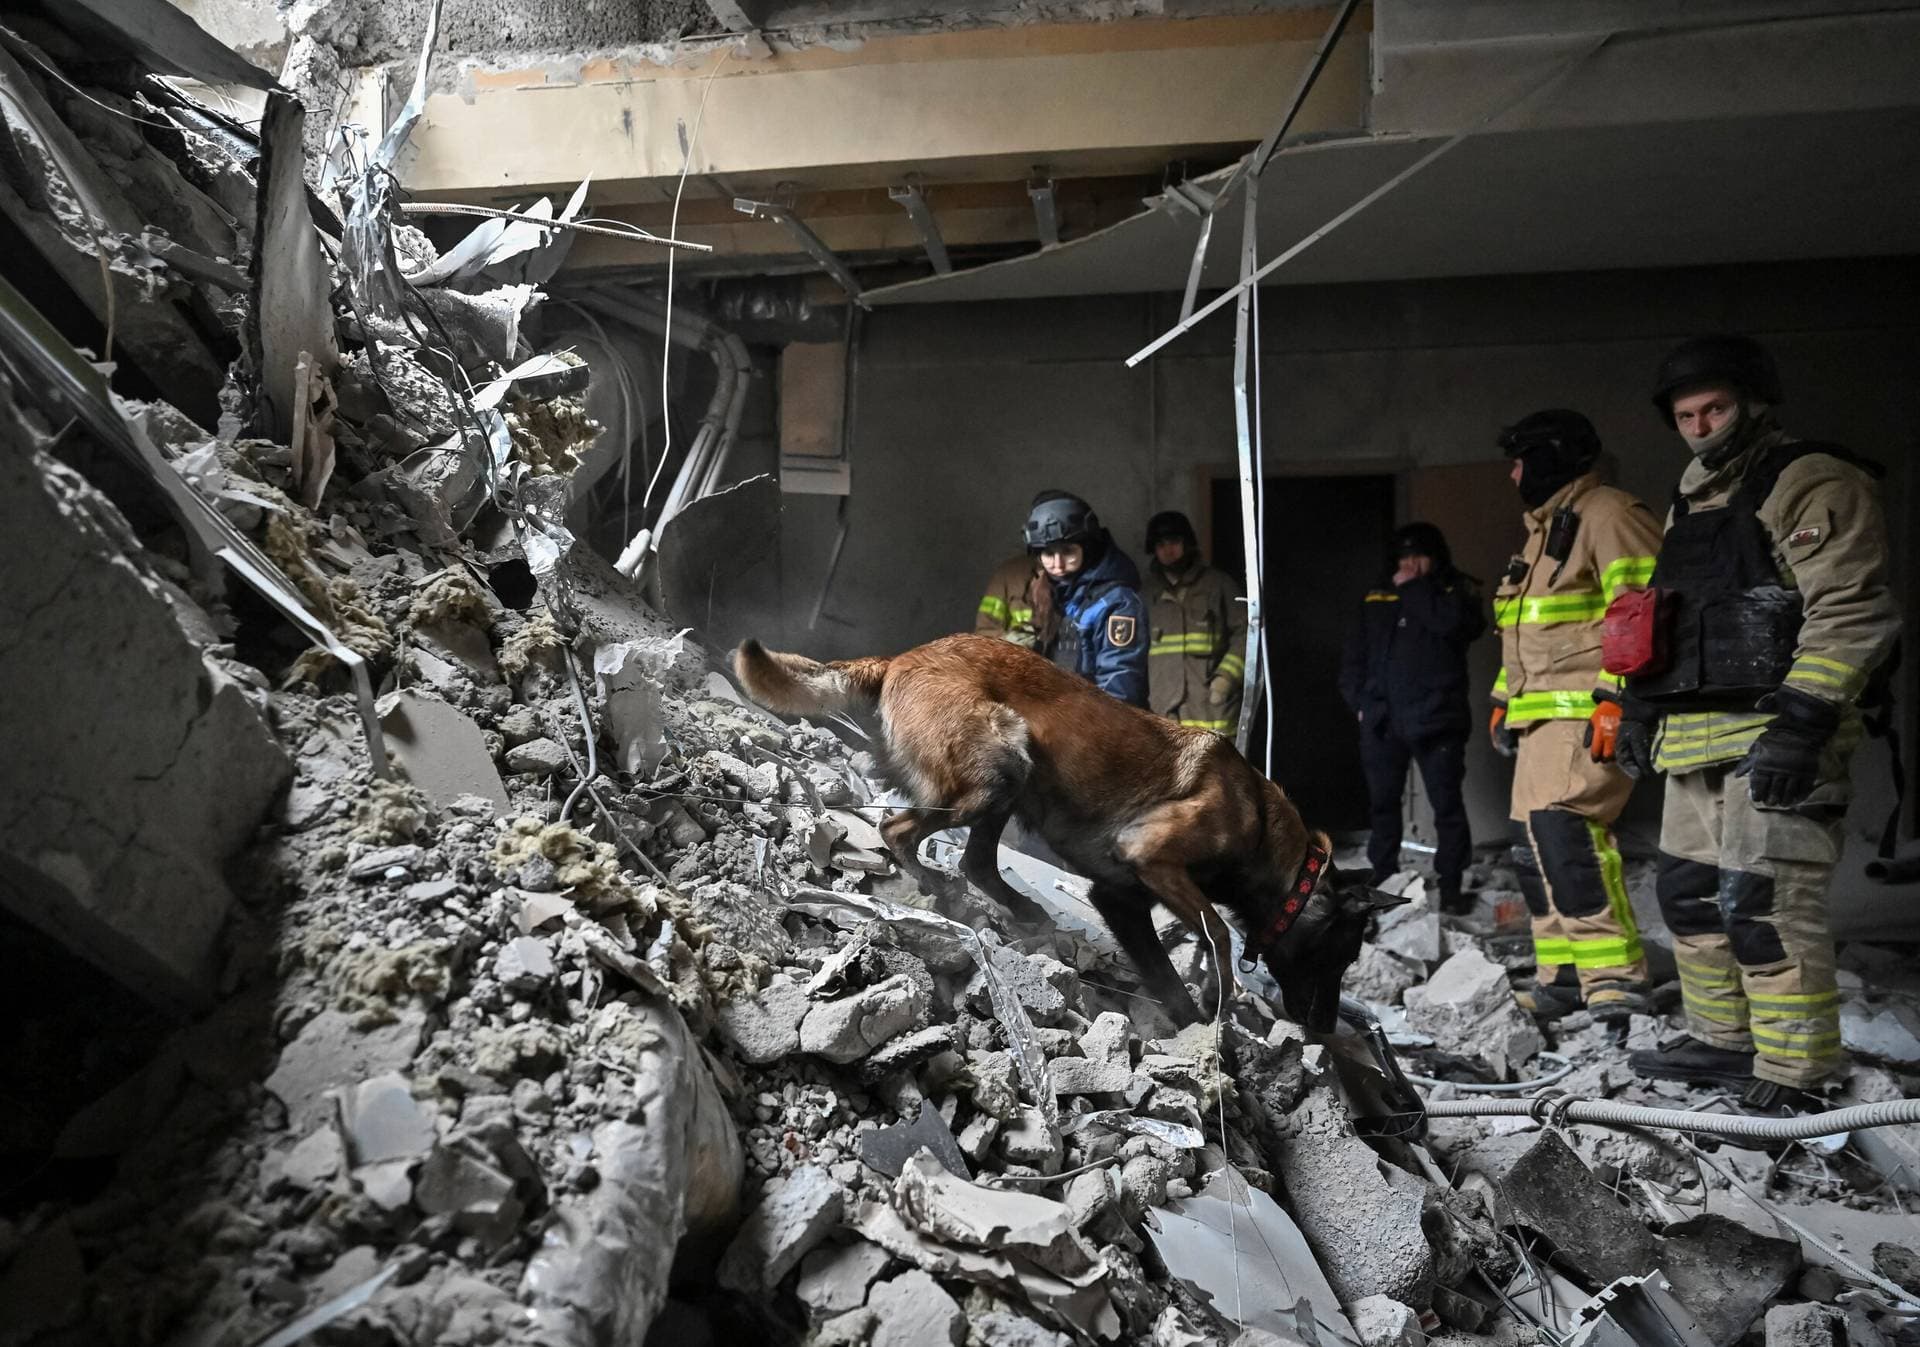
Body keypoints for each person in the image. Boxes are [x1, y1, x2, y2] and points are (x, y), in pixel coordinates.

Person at [1601, 335, 1900, 1109]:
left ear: (1755, 401)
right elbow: (1670, 617)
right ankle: (1723, 1040)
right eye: (1686, 414)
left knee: (1761, 904)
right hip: (1694, 734)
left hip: (1774, 731)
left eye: (1715, 408)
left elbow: (1852, 610)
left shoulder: (1812, 479)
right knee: (1690, 895)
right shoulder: (1691, 496)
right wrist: (1636, 702)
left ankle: (1798, 1073)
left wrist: (1802, 724)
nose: (1700, 425)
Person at [1490, 409, 1661, 1022]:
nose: (1512, 476)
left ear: (1550, 457)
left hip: (1588, 712)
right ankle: (1562, 975)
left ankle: (1613, 977)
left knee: (1568, 835)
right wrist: (1503, 696)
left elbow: (1640, 608)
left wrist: (1619, 698)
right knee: (1532, 846)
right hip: (1538, 722)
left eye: (1520, 461)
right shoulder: (1545, 530)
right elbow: (1529, 630)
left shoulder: (1609, 514)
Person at [1339, 523, 1486, 910]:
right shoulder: (1376, 594)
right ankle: (1383, 881)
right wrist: (1358, 701)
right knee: (1383, 808)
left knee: (1447, 808)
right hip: (1383, 719)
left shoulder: (1454, 592)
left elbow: (1454, 627)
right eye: (1404, 558)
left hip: (1437, 718)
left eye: (1419, 556)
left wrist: (1415, 588)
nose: (1411, 565)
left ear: (1435, 557)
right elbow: (1355, 651)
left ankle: (1451, 888)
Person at [1025, 492, 1148, 706]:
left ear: (1088, 546)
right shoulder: (1054, 595)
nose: (1058, 564)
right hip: (1065, 722)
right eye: (1048, 553)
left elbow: (1120, 689)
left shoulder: (1117, 602)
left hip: (1103, 730)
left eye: (1068, 551)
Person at [1143, 511, 1247, 735]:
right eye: (1160, 544)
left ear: (1187, 543)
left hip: (1211, 712)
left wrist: (1226, 679)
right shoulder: (1146, 594)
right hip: (1164, 713)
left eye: (1174, 541)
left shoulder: (1218, 585)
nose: (1167, 549)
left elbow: (1248, 633)